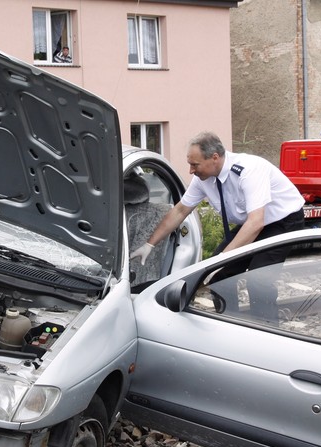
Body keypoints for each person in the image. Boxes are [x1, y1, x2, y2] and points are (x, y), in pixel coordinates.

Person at [130, 131, 304, 322]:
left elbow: (256, 222)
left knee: (259, 280)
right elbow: (180, 211)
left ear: (214, 158)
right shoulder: (203, 179)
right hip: (253, 223)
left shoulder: (249, 170)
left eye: (194, 165)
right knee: (218, 276)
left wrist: (223, 258)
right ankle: (230, 324)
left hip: (282, 221)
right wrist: (150, 244)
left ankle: (268, 333)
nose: (190, 171)